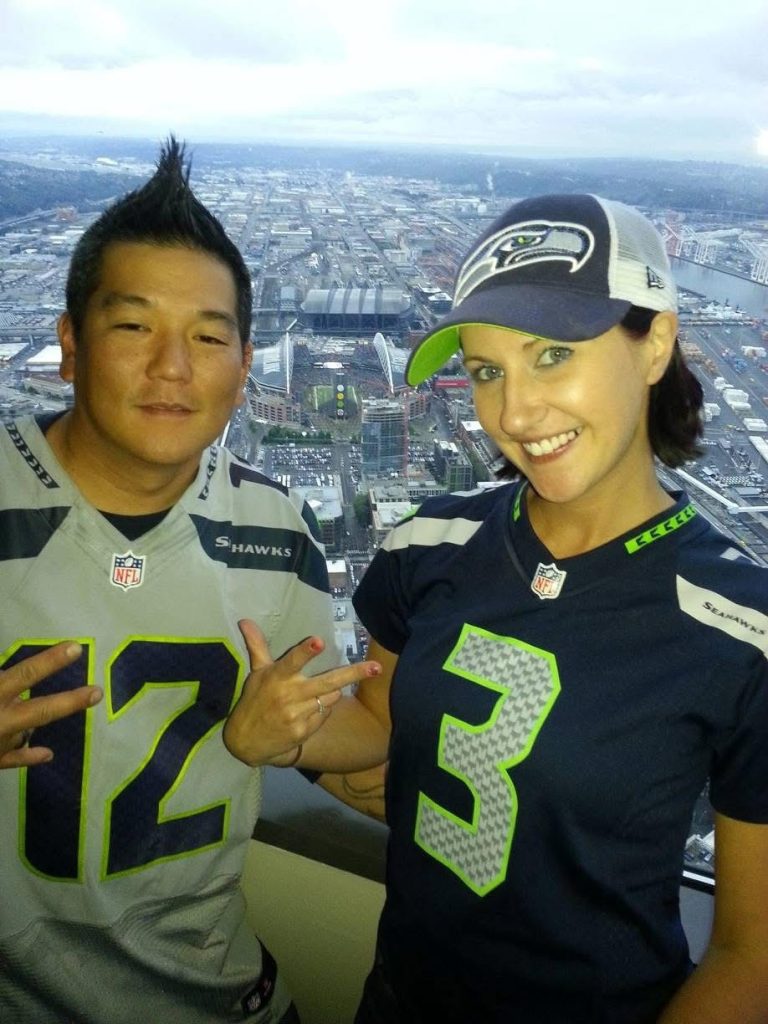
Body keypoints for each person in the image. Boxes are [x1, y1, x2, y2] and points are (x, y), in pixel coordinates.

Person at [321, 194, 768, 1022]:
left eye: (552, 355)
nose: (513, 414)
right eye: (488, 370)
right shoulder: (424, 545)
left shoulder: (744, 630)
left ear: (656, 344)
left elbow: (753, 954)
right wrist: (291, 739)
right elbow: (378, 727)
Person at [0, 138, 386, 1024]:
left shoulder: (275, 532)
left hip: (223, 996)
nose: (172, 367)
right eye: (133, 327)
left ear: (244, 366)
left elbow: (344, 723)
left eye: (209, 338)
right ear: (68, 345)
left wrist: (282, 741)